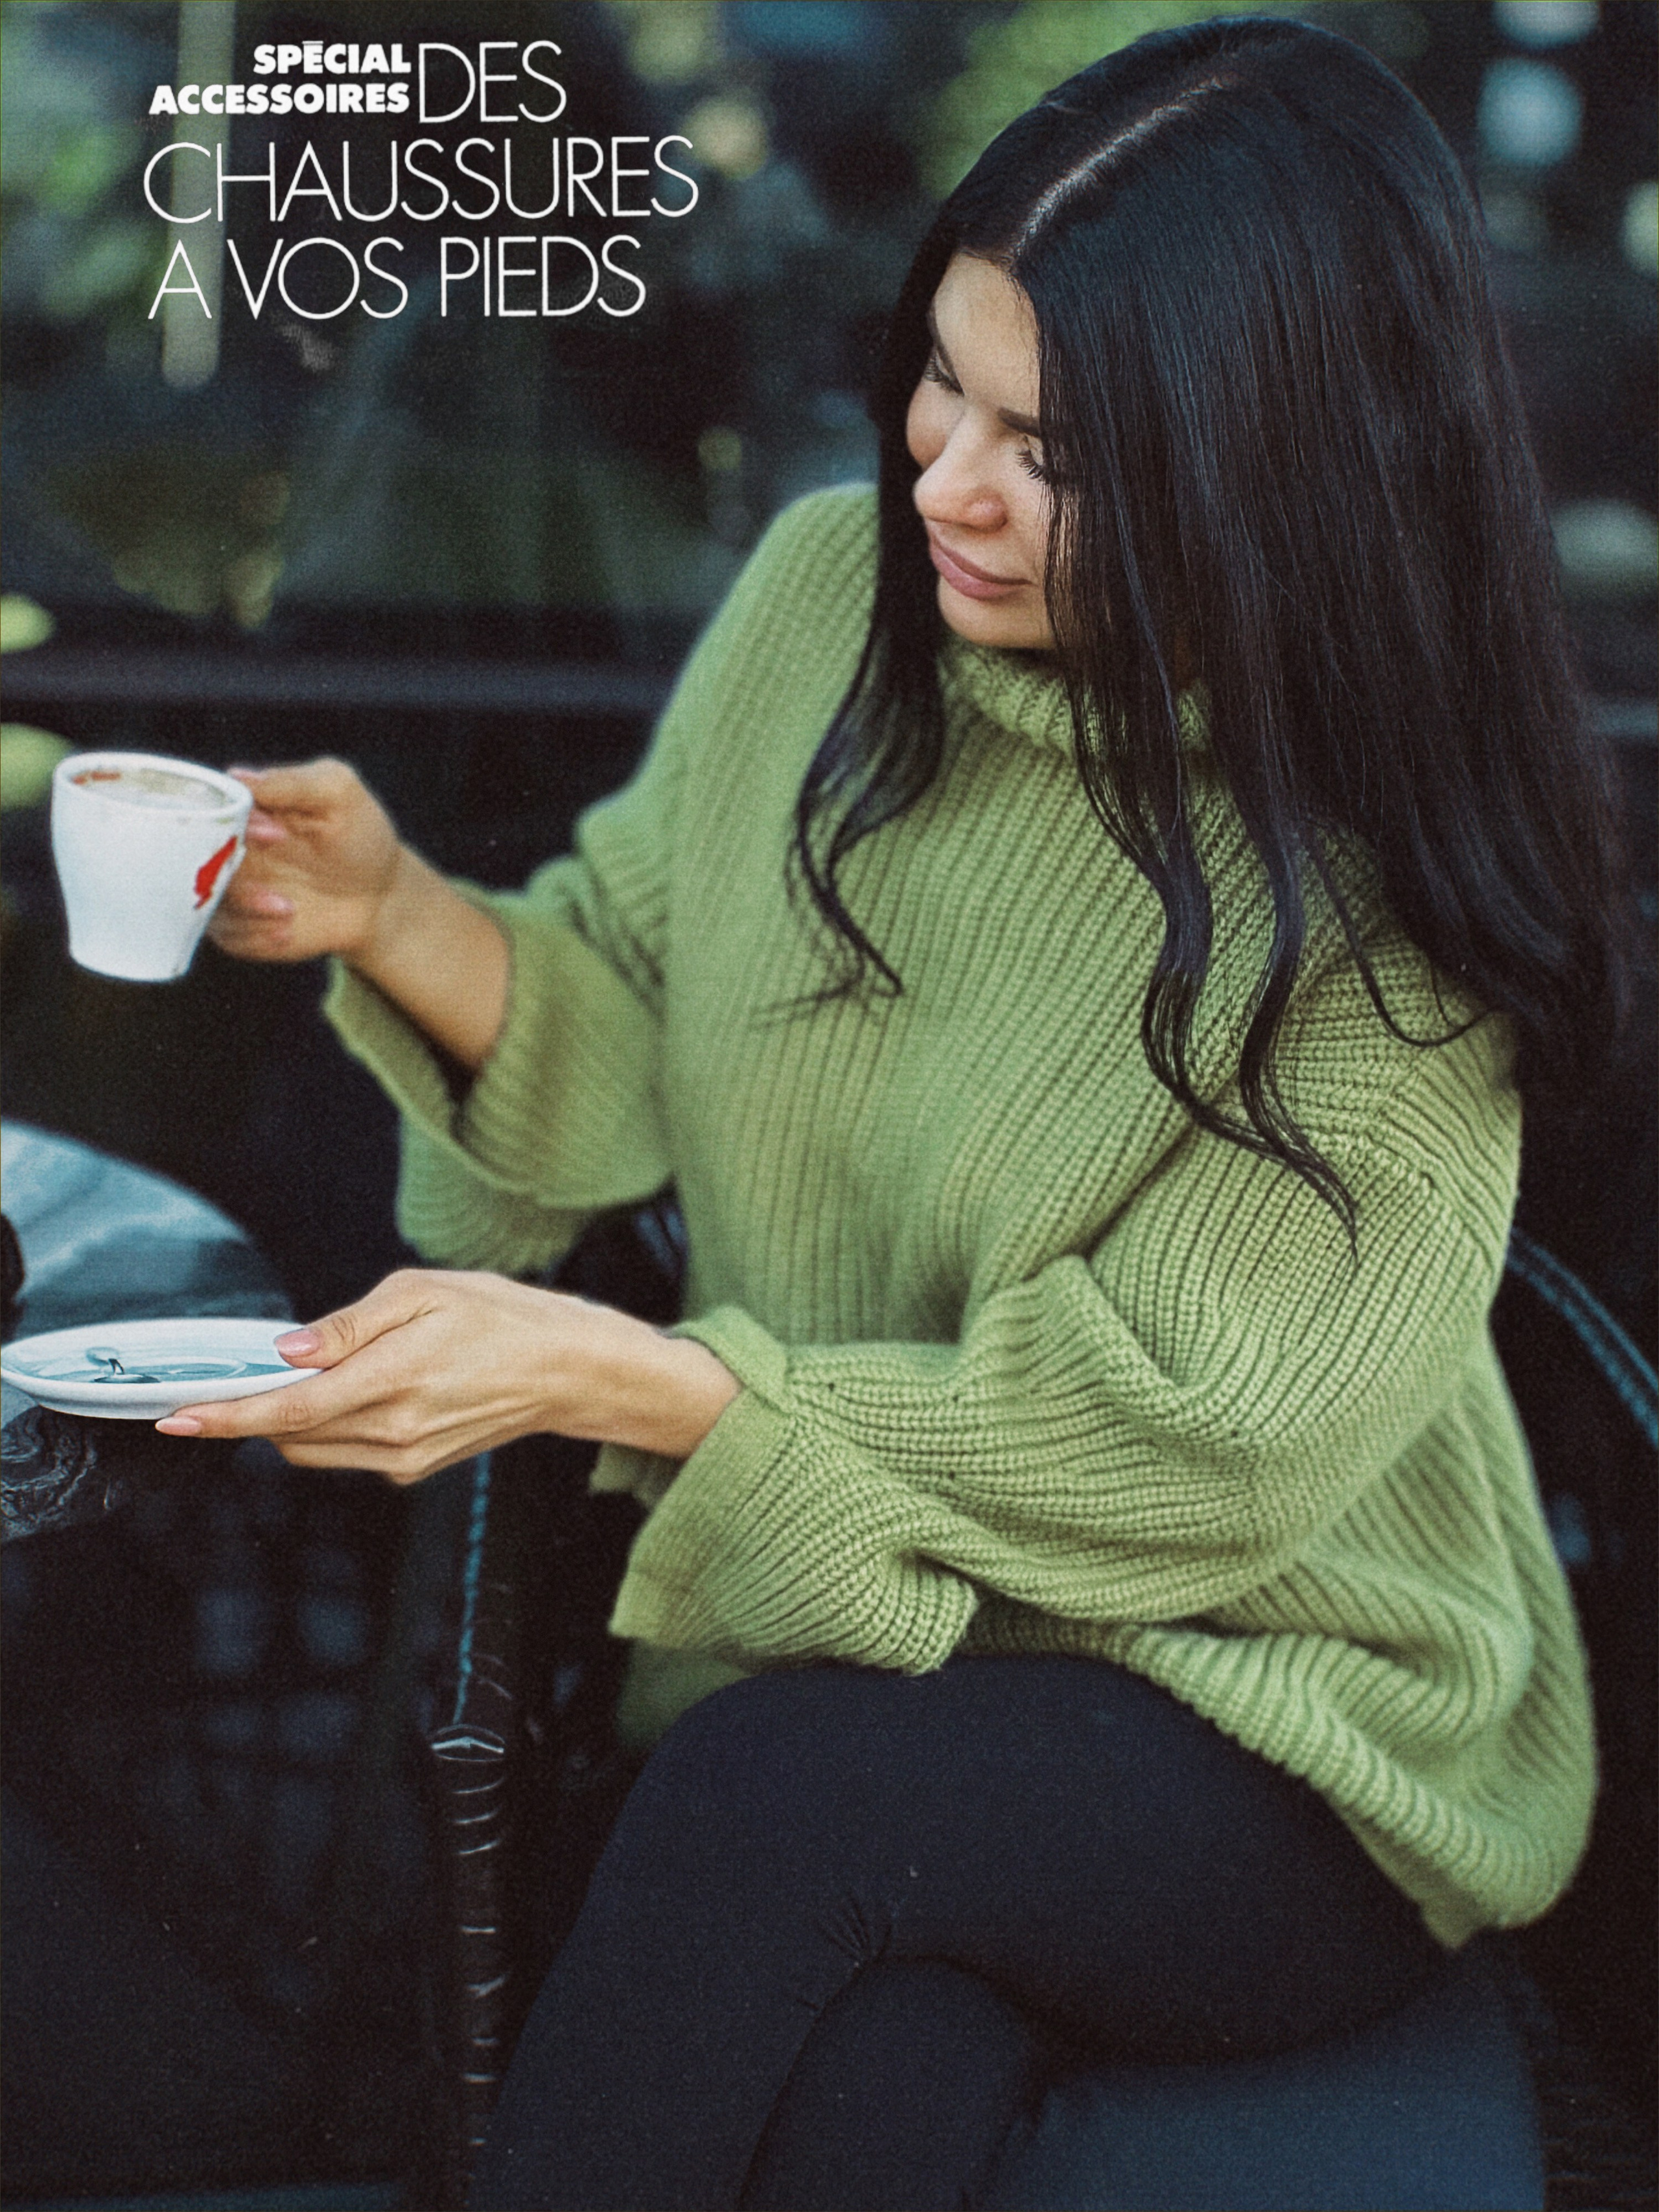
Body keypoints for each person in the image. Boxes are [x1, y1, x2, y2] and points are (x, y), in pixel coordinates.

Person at [168, 19, 1630, 2209]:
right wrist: (394, 917)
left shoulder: (1379, 895)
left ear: (1276, 469)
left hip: (1284, 1720)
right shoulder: (825, 609)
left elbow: (1193, 1439)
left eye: (1057, 446)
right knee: (866, 2072)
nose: (949, 475)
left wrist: (654, 1387)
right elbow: (634, 1006)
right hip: (895, 1677)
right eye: (946, 378)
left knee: (781, 1806)